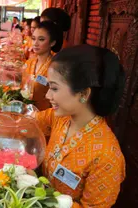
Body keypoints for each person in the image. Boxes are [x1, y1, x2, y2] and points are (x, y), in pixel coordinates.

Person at [35, 44, 125, 207]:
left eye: (54, 88)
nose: (48, 95)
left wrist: (40, 193)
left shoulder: (107, 157)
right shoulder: (60, 118)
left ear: (83, 93)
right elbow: (29, 122)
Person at [22, 21, 63, 111]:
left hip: (46, 114)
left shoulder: (56, 66)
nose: (35, 43)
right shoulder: (30, 63)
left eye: (41, 39)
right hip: (27, 111)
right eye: (33, 38)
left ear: (52, 43)